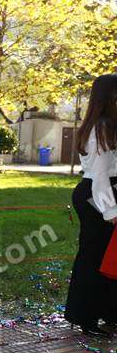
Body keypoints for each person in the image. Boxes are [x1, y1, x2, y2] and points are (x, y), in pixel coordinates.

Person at [65, 74, 117, 336]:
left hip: (102, 192)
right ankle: (86, 317)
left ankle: (107, 312)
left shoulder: (103, 125)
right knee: (94, 257)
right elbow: (99, 175)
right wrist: (111, 211)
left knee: (107, 257)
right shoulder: (102, 127)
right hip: (99, 195)